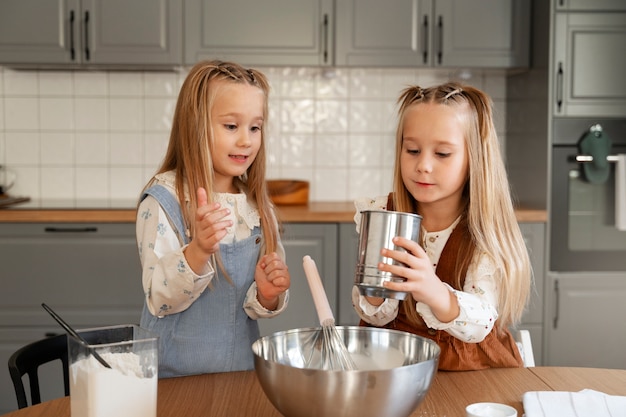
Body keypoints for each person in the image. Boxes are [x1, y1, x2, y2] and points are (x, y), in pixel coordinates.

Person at [353, 82, 531, 370]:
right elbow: (374, 318)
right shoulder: (382, 213)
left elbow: (481, 322)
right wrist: (374, 293)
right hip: (396, 366)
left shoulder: (483, 233)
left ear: (475, 159)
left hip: (469, 372)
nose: (423, 165)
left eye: (442, 154)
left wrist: (434, 291)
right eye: (412, 150)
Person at [136, 60, 290, 378]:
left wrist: (267, 294)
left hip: (239, 375)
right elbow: (159, 298)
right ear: (194, 125)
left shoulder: (257, 209)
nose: (246, 140)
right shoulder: (165, 200)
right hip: (171, 379)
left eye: (255, 127)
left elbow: (254, 306)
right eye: (231, 126)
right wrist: (198, 250)